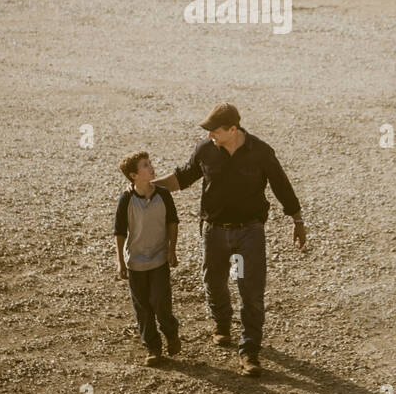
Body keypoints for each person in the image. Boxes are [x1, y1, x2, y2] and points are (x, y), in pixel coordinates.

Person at [154, 104, 305, 377]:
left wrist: (297, 219)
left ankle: (249, 352)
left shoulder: (261, 152)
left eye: (215, 130)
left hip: (250, 231)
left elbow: (281, 185)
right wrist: (148, 185)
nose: (210, 134)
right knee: (213, 281)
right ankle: (222, 324)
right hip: (214, 230)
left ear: (233, 129)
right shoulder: (206, 150)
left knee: (251, 292)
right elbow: (182, 178)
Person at [114, 152, 180, 366]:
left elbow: (173, 222)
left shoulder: (163, 194)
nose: (151, 168)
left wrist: (172, 250)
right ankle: (153, 347)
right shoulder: (126, 199)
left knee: (161, 301)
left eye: (150, 163)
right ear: (134, 175)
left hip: (159, 259)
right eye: (145, 166)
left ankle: (171, 332)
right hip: (135, 263)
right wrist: (120, 262)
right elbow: (119, 232)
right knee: (142, 307)